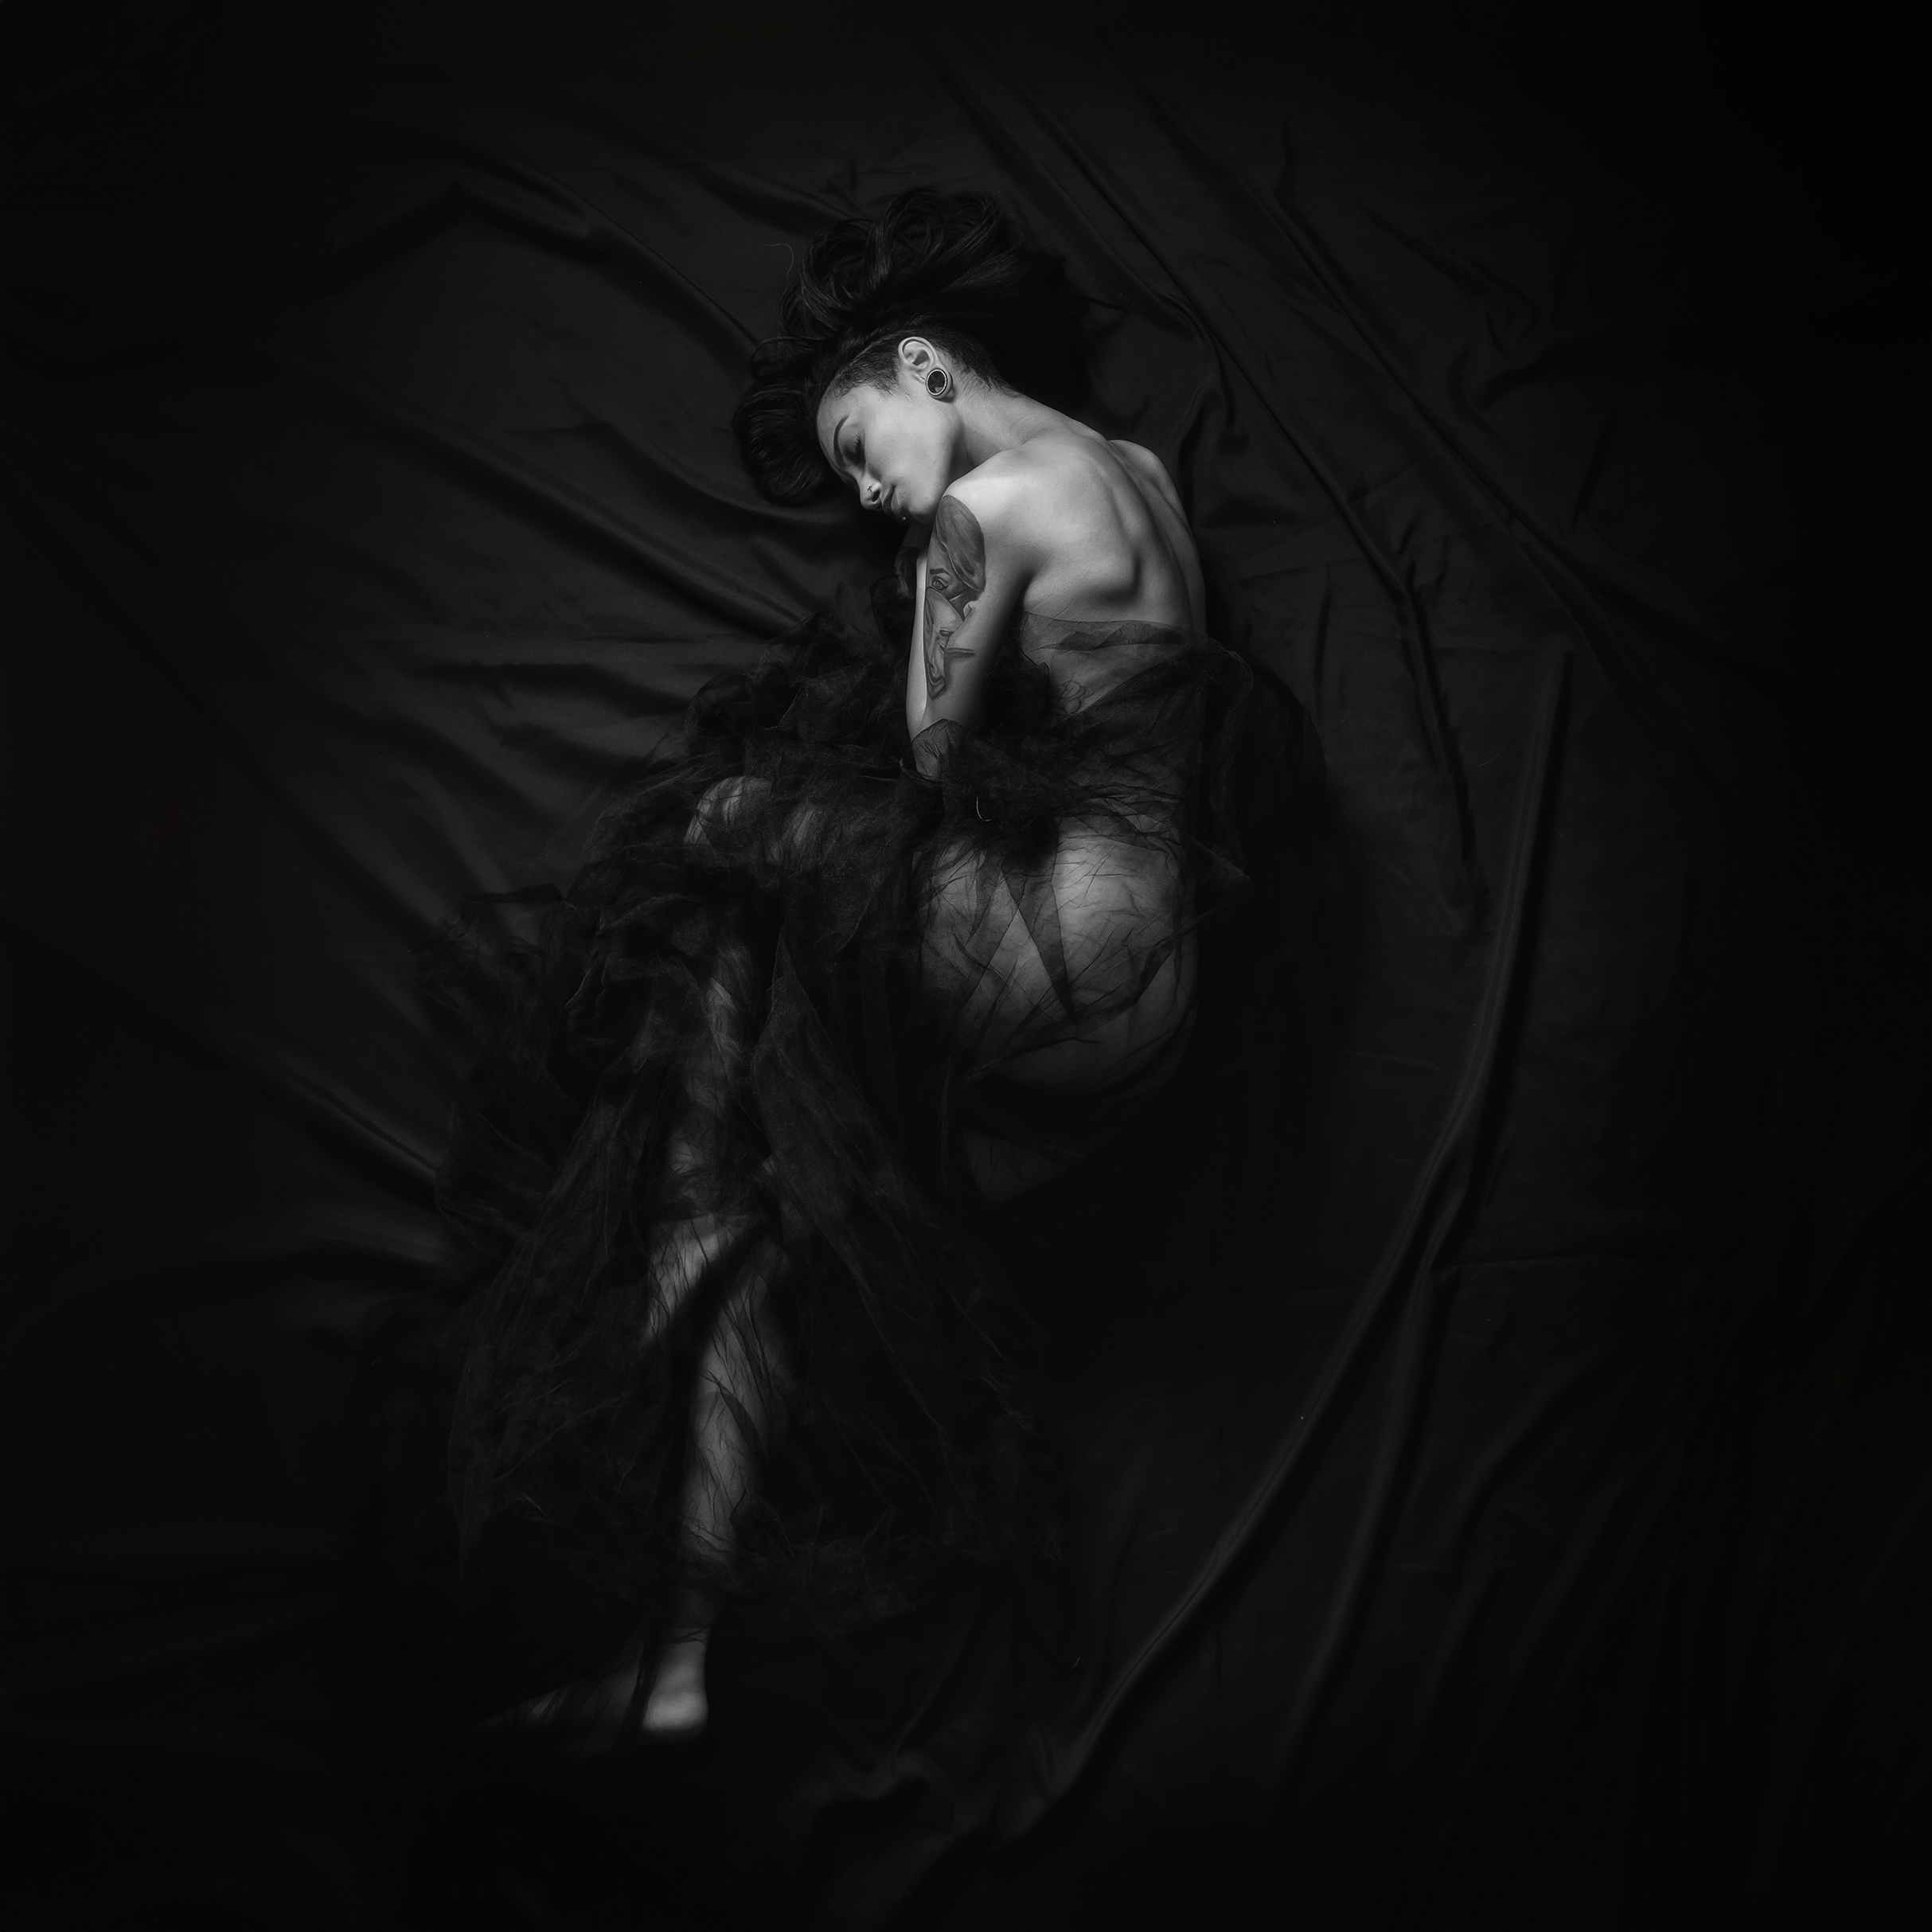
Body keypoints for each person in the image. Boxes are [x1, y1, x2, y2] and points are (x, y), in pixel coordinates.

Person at [433, 190, 1255, 1747]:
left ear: (928, 365)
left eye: (858, 443)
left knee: (712, 851)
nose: (869, 493)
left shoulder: (984, 510)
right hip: (1152, 1007)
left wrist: (806, 775)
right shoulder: (1141, 476)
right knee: (748, 1100)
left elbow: (935, 764)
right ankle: (679, 1638)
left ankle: (669, 1555)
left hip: (1043, 964)